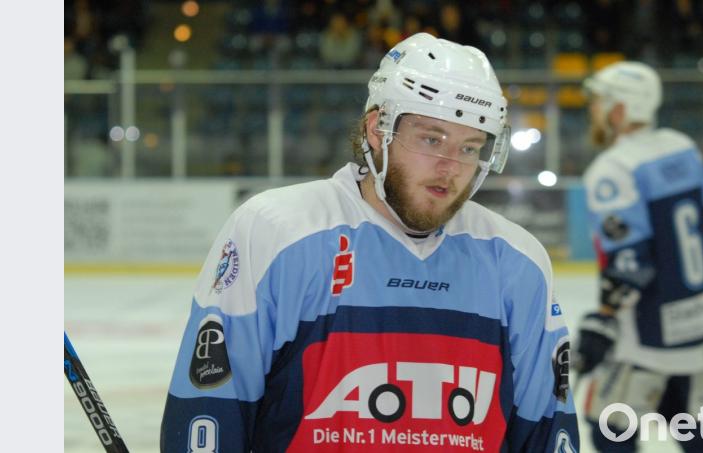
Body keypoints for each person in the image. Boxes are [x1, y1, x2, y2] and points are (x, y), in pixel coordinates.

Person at [160, 32, 580, 452]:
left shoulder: (517, 261)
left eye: (469, 147)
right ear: (377, 131)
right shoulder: (278, 231)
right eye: (431, 139)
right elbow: (211, 405)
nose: (450, 166)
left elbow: (548, 430)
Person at [574, 61, 703, 452]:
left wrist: (604, 319)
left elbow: (630, 264)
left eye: (599, 102)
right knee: (696, 430)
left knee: (608, 431)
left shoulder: (613, 168)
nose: (593, 110)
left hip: (645, 337)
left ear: (620, 110)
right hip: (697, 323)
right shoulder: (684, 147)